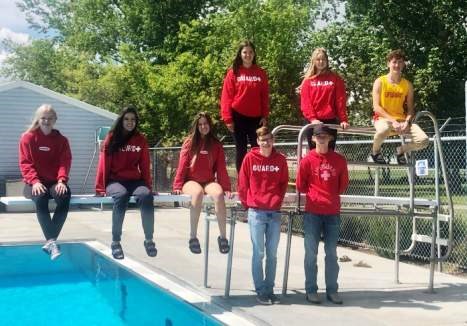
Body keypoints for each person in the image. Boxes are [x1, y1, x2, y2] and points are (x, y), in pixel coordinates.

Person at [296, 124, 349, 305]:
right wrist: (315, 195)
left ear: (330, 139)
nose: (321, 139)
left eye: (325, 136)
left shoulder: (339, 160)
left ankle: (332, 290)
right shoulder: (307, 161)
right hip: (313, 212)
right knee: (311, 253)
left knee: (331, 254)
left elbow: (343, 185)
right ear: (313, 139)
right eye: (318, 136)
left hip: (332, 212)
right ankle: (311, 290)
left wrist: (330, 196)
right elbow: (300, 185)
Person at [95, 106, 157, 260]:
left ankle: (149, 239)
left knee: (146, 196)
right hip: (115, 181)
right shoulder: (111, 138)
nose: (130, 122)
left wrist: (148, 186)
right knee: (121, 196)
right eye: (127, 119)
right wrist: (100, 187)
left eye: (133, 119)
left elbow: (144, 165)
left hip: (135, 181)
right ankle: (116, 242)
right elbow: (103, 164)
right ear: (121, 120)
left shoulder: (140, 139)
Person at [238, 126, 288, 305]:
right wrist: (247, 203)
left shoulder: (280, 159)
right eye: (262, 140)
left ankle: (269, 288)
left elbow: (283, 183)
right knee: (258, 253)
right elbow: (242, 183)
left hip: (274, 212)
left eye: (269, 139)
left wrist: (277, 201)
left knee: (272, 254)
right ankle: (260, 290)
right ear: (257, 142)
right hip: (256, 212)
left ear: (273, 140)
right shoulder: (250, 158)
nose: (266, 142)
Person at [173, 112, 232, 254]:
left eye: (205, 123)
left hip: (208, 181)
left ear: (210, 125)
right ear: (196, 126)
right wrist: (177, 185)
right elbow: (182, 165)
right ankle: (193, 237)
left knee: (218, 194)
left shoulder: (216, 145)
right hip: (191, 181)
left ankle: (223, 237)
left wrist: (226, 187)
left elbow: (221, 168)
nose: (203, 126)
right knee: (197, 193)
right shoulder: (189, 142)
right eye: (200, 124)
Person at [19, 104, 72, 260]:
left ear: (55, 120)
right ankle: (52, 241)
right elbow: (25, 162)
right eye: (43, 118)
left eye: (50, 118)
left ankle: (51, 241)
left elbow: (65, 162)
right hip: (33, 183)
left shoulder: (61, 140)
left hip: (55, 182)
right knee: (40, 197)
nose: (46, 121)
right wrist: (34, 181)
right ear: (38, 119)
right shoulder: (27, 138)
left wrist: (62, 180)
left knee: (64, 196)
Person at [371, 49, 429, 164]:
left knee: (424, 140)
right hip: (383, 120)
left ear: (403, 64)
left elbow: (411, 109)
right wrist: (393, 121)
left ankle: (401, 150)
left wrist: (407, 122)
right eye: (394, 62)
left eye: (400, 62)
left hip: (402, 121)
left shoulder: (408, 85)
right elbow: (376, 107)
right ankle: (375, 152)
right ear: (388, 63)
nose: (397, 65)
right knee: (383, 129)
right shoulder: (380, 81)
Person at [220, 40, 269, 171]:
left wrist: (264, 115)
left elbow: (264, 96)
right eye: (245, 52)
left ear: (254, 54)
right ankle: (242, 182)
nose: (248, 55)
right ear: (240, 54)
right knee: (241, 149)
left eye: (250, 52)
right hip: (238, 117)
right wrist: (228, 119)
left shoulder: (260, 73)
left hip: (256, 118)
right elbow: (226, 97)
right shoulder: (233, 73)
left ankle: (257, 178)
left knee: (257, 149)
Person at [300, 47, 349, 149]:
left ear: (327, 61)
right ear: (313, 61)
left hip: (330, 120)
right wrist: (313, 119)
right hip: (312, 122)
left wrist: (343, 119)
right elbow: (306, 102)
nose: (321, 62)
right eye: (318, 59)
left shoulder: (335, 78)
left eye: (323, 59)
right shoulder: (308, 81)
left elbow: (340, 100)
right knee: (314, 152)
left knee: (329, 152)